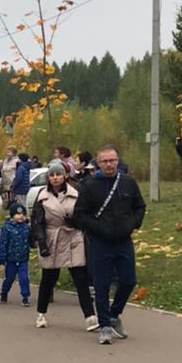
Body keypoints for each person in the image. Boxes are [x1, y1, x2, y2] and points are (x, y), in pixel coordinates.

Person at [72, 145, 146, 345]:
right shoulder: (89, 186)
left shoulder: (128, 183)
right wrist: (96, 228)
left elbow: (140, 207)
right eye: (104, 161)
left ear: (117, 161)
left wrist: (132, 224)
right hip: (100, 242)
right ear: (98, 163)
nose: (109, 164)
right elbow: (79, 214)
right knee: (101, 284)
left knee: (128, 280)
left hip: (123, 240)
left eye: (112, 160)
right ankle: (104, 325)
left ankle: (114, 314)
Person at [31, 161, 98, 330]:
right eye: (52, 175)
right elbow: (37, 222)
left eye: (58, 174)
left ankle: (90, 316)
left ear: (65, 176)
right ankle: (41, 313)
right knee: (48, 279)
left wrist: (75, 221)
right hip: (52, 238)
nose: (55, 178)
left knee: (80, 278)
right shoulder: (42, 195)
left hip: (73, 237)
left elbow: (86, 214)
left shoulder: (76, 193)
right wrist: (42, 243)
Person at [0, 201, 31, 305]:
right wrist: (2, 259)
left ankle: (25, 296)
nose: (20, 216)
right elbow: (3, 243)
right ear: (12, 215)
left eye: (22, 214)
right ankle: (4, 293)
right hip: (11, 259)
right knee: (9, 278)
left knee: (24, 278)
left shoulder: (26, 228)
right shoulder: (7, 228)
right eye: (17, 214)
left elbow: (31, 240)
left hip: (23, 259)